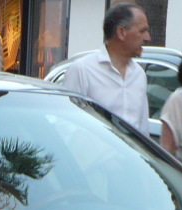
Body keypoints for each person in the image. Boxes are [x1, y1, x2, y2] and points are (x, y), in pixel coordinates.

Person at [61, 3, 151, 134]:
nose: (147, 38)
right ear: (121, 32)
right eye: (142, 31)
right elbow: (67, 125)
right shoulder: (82, 70)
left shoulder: (139, 74)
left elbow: (143, 132)